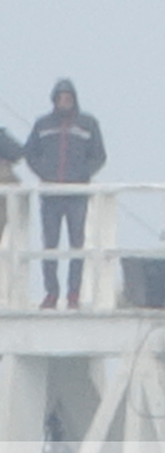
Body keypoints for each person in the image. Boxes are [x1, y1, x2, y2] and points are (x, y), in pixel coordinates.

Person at [25, 79, 108, 310]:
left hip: (76, 196)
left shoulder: (88, 124)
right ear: (54, 99)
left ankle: (73, 294)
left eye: (68, 98)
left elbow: (99, 156)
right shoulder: (42, 124)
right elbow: (29, 153)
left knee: (76, 246)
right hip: (50, 196)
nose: (64, 101)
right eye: (60, 98)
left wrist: (82, 174)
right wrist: (44, 173)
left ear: (74, 99)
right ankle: (51, 293)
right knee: (49, 246)